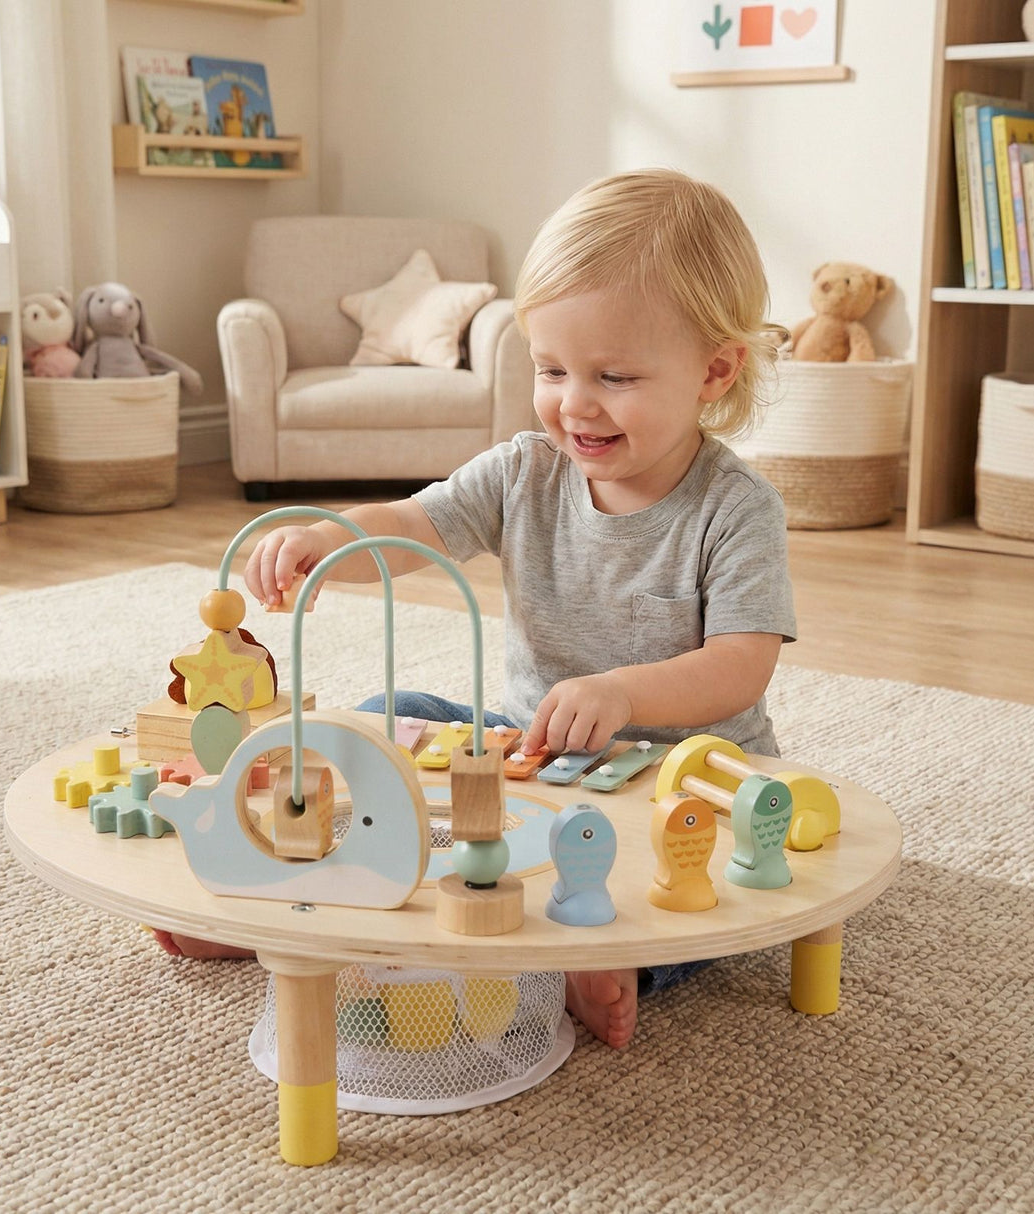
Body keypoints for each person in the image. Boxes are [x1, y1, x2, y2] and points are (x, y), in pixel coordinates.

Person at [169, 168, 797, 1050]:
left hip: (678, 775)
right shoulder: (524, 469)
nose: (573, 402)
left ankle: (613, 961)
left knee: (700, 881)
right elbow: (416, 525)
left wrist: (623, 695)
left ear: (714, 370)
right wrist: (334, 540)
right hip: (530, 747)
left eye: (613, 376)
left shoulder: (737, 507)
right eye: (550, 369)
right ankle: (291, 880)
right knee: (390, 719)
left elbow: (743, 658)